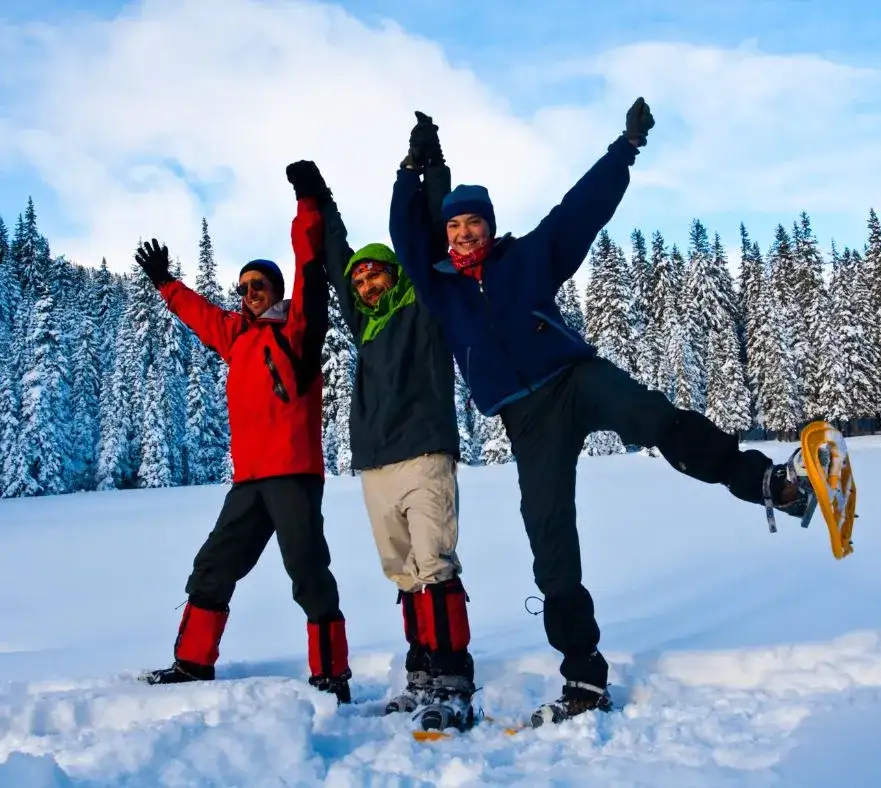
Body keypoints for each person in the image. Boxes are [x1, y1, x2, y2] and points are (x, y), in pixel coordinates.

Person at [387, 102, 812, 727]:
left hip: (576, 380)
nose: (463, 236)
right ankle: (583, 677)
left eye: (474, 225)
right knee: (549, 537)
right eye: (455, 229)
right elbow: (405, 233)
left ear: (489, 227)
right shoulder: (440, 286)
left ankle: (768, 483)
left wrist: (625, 149)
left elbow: (580, 209)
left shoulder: (527, 259)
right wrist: (412, 170)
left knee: (655, 419)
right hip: (524, 420)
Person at [284, 156, 475, 731]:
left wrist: (428, 168)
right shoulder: (362, 321)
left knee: (433, 563)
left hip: (425, 455)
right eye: (360, 280)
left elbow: (430, 235)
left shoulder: (422, 307)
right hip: (375, 464)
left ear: (395, 275)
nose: (365, 283)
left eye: (376, 275)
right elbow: (338, 252)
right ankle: (421, 672)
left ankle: (452, 677)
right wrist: (320, 198)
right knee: (402, 570)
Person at [133, 202, 352, 704]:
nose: (251, 294)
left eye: (260, 286)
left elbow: (306, 261)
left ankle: (332, 674)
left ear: (276, 290)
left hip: (293, 474)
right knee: (213, 564)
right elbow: (201, 315)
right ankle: (191, 663)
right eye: (244, 288)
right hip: (249, 480)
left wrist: (305, 204)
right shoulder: (237, 338)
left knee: (308, 572)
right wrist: (166, 283)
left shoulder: (298, 331)